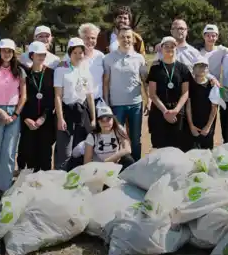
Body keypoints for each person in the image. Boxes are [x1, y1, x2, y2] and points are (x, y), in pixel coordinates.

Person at [0, 39, 26, 205]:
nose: (6, 54)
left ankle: (4, 188)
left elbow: (24, 96)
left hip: (14, 113)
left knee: (9, 153)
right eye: (3, 50)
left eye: (10, 51)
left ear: (13, 53)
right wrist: (1, 112)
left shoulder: (19, 71)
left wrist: (14, 114)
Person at [103, 28, 148, 161]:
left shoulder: (139, 58)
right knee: (117, 137)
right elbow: (106, 82)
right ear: (118, 39)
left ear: (133, 39)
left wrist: (148, 100)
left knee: (135, 138)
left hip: (135, 104)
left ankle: (136, 166)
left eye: (129, 37)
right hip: (116, 104)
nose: (126, 40)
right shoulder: (108, 58)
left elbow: (144, 80)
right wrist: (106, 103)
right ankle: (119, 167)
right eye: (123, 37)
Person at [54, 37, 96, 169]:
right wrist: (60, 119)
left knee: (80, 149)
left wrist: (93, 118)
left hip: (82, 113)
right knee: (64, 151)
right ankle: (60, 179)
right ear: (69, 53)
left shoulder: (86, 70)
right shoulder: (61, 70)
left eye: (81, 52)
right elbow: (58, 96)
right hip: (67, 112)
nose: (78, 55)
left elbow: (89, 96)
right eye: (75, 52)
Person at [147, 36, 193, 150]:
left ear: (176, 49)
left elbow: (186, 92)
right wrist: (165, 111)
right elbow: (152, 93)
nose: (169, 49)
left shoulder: (183, 68)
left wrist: (176, 110)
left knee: (178, 145)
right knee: (160, 147)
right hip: (159, 111)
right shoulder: (155, 68)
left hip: (177, 112)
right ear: (161, 49)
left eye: (172, 46)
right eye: (166, 46)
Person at [19, 41, 58, 172]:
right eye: (38, 55)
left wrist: (43, 117)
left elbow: (54, 98)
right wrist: (25, 118)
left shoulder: (51, 73)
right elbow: (21, 97)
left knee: (45, 155)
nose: (41, 57)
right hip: (28, 121)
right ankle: (30, 184)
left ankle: (45, 185)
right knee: (30, 153)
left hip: (45, 121)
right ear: (31, 56)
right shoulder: (25, 74)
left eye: (43, 55)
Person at [68, 104, 135, 168]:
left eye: (108, 119)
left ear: (113, 119)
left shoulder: (118, 129)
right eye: (102, 120)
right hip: (96, 164)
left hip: (112, 163)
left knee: (129, 160)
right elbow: (87, 163)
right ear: (98, 122)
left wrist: (108, 161)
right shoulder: (92, 136)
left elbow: (128, 149)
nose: (106, 123)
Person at [186, 57, 218, 149]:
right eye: (198, 66)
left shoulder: (213, 86)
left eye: (204, 66)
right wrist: (191, 126)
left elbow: (214, 108)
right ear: (193, 68)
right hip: (193, 125)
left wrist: (208, 127)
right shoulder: (189, 85)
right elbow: (188, 106)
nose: (202, 68)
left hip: (207, 125)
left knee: (207, 151)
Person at [78, 23, 106, 104]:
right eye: (87, 38)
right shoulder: (71, 57)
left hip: (98, 100)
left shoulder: (101, 56)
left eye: (93, 38)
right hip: (81, 102)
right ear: (81, 39)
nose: (90, 41)